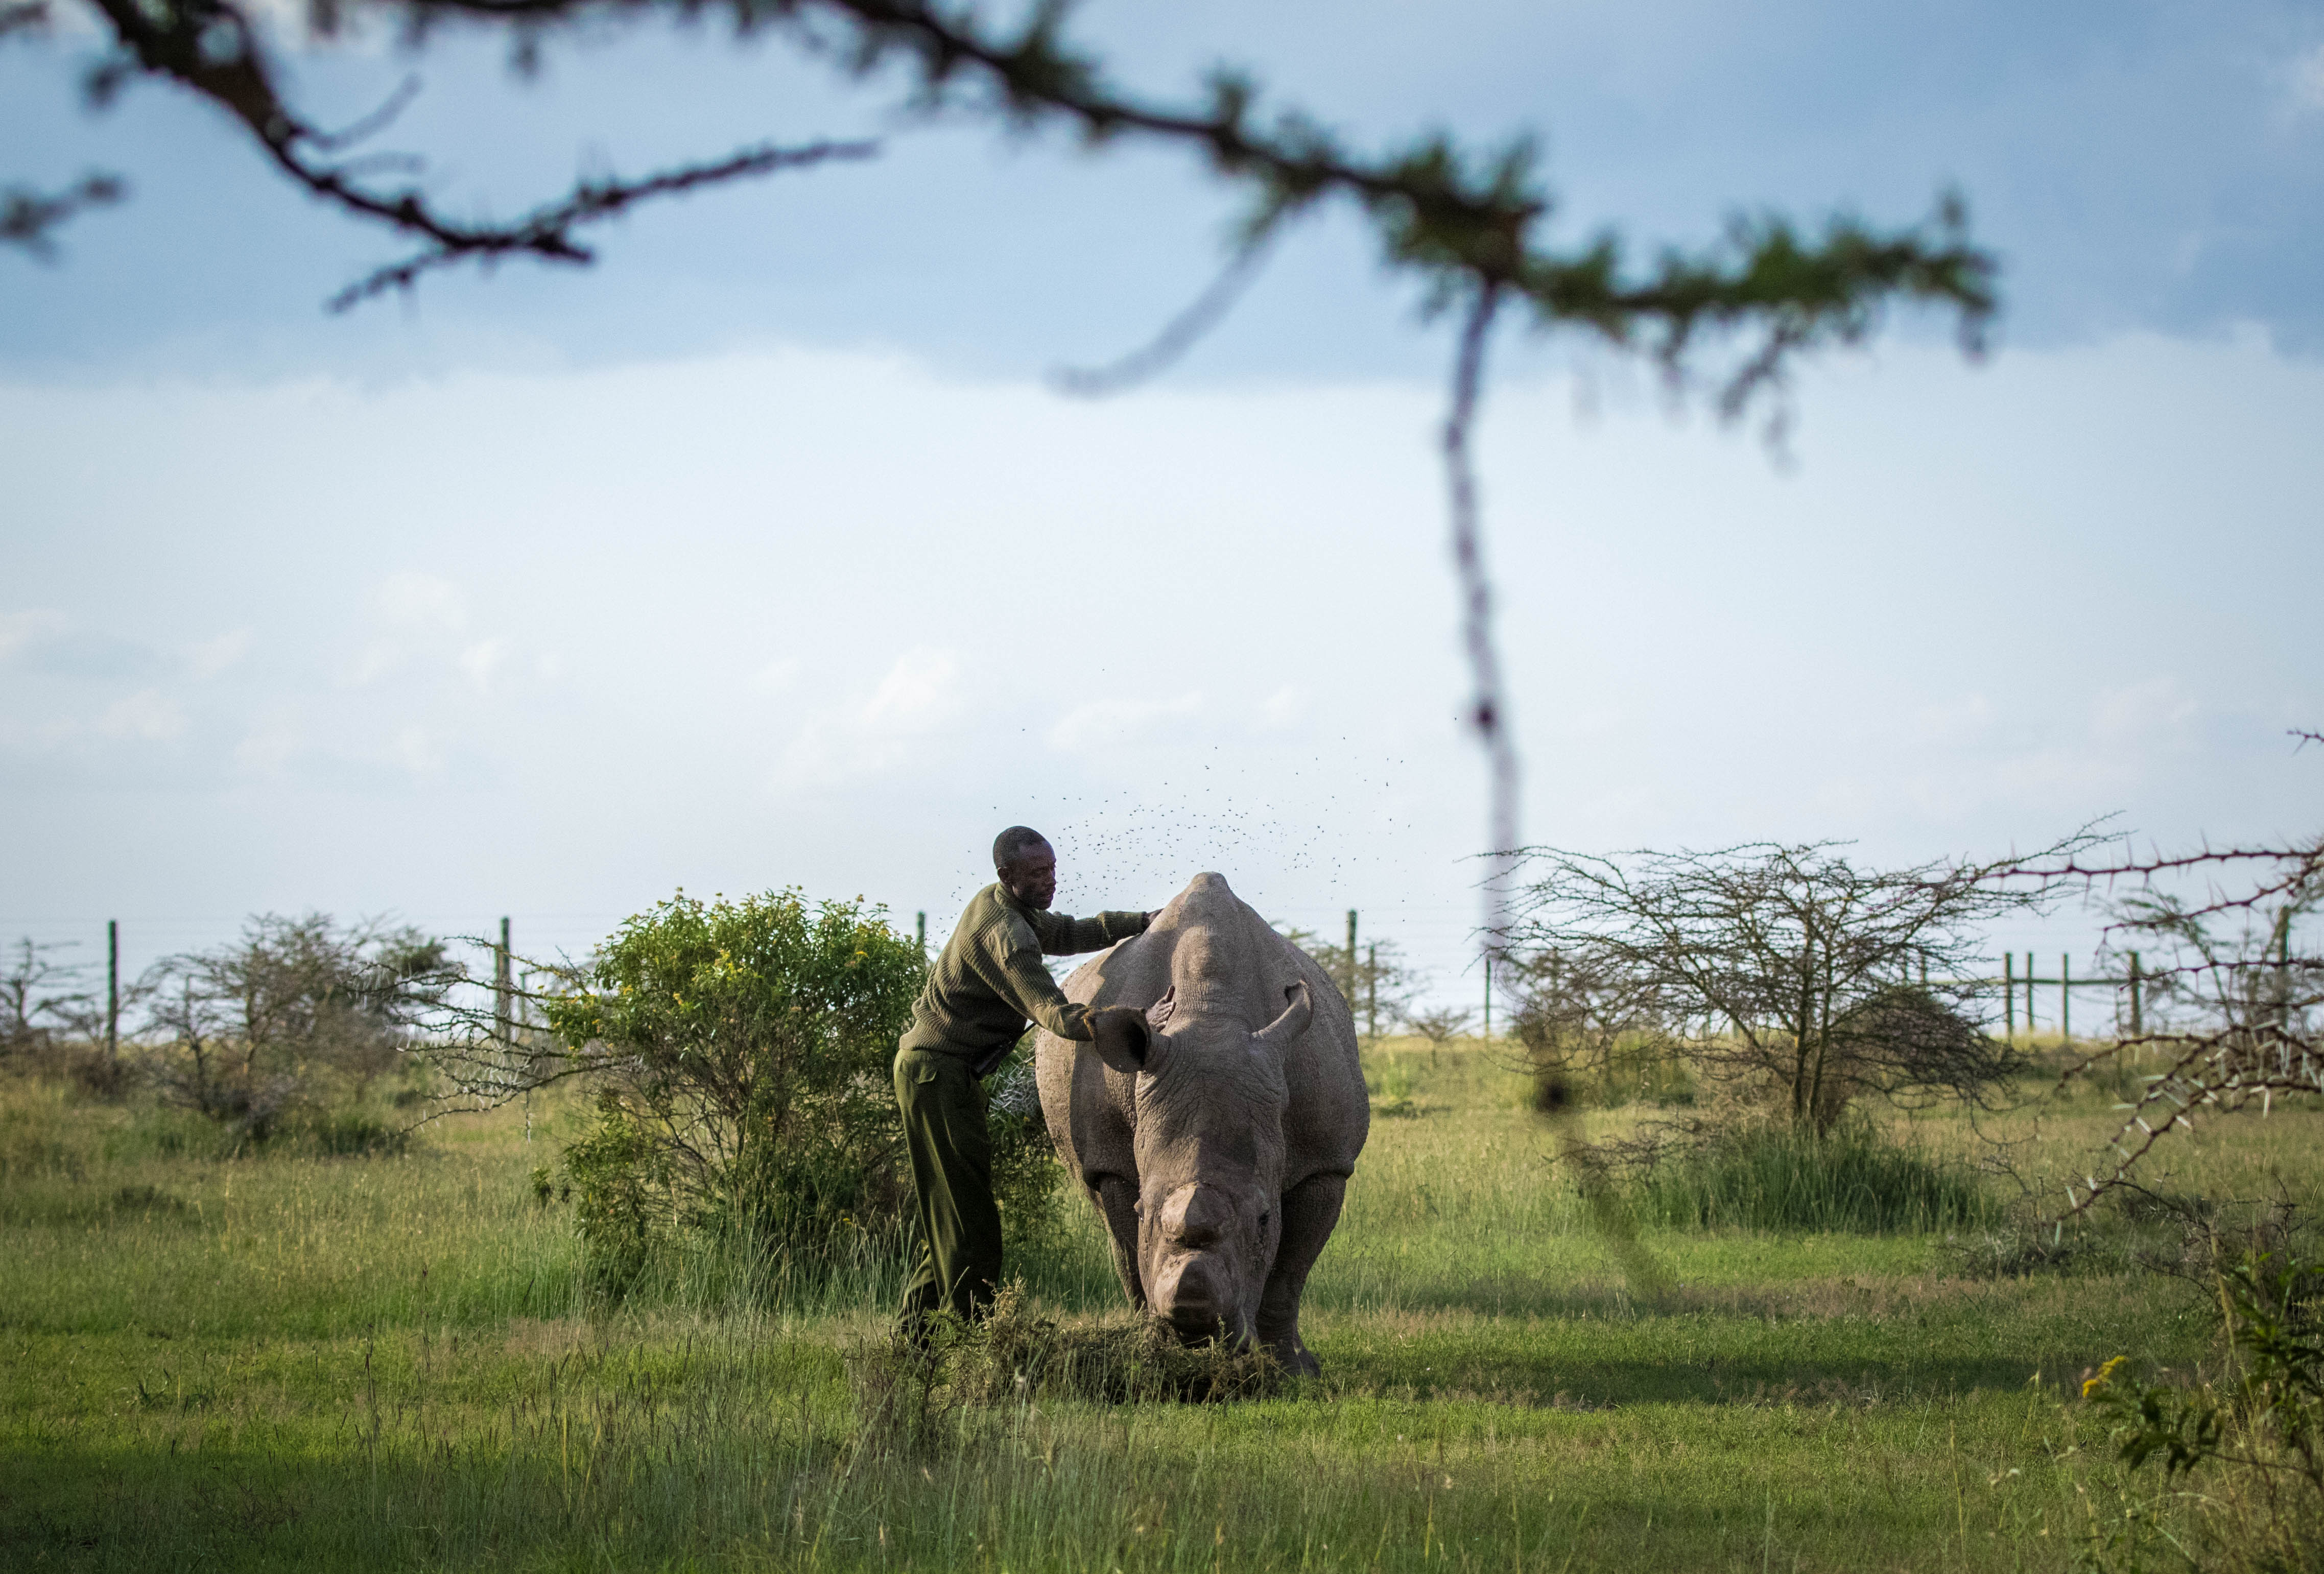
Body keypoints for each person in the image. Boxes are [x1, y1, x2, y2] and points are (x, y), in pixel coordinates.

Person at [893, 825, 1154, 1333]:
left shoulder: (1002, 905)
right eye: (1037, 874)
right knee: (971, 1223)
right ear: (1006, 875)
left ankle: (913, 1337)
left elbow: (1071, 932)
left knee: (949, 1214)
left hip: (936, 1073)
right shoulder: (1006, 935)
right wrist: (1132, 1020)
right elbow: (1051, 1014)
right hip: (937, 1076)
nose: (1049, 881)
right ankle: (979, 1336)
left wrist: (1144, 921)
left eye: (1052, 870)